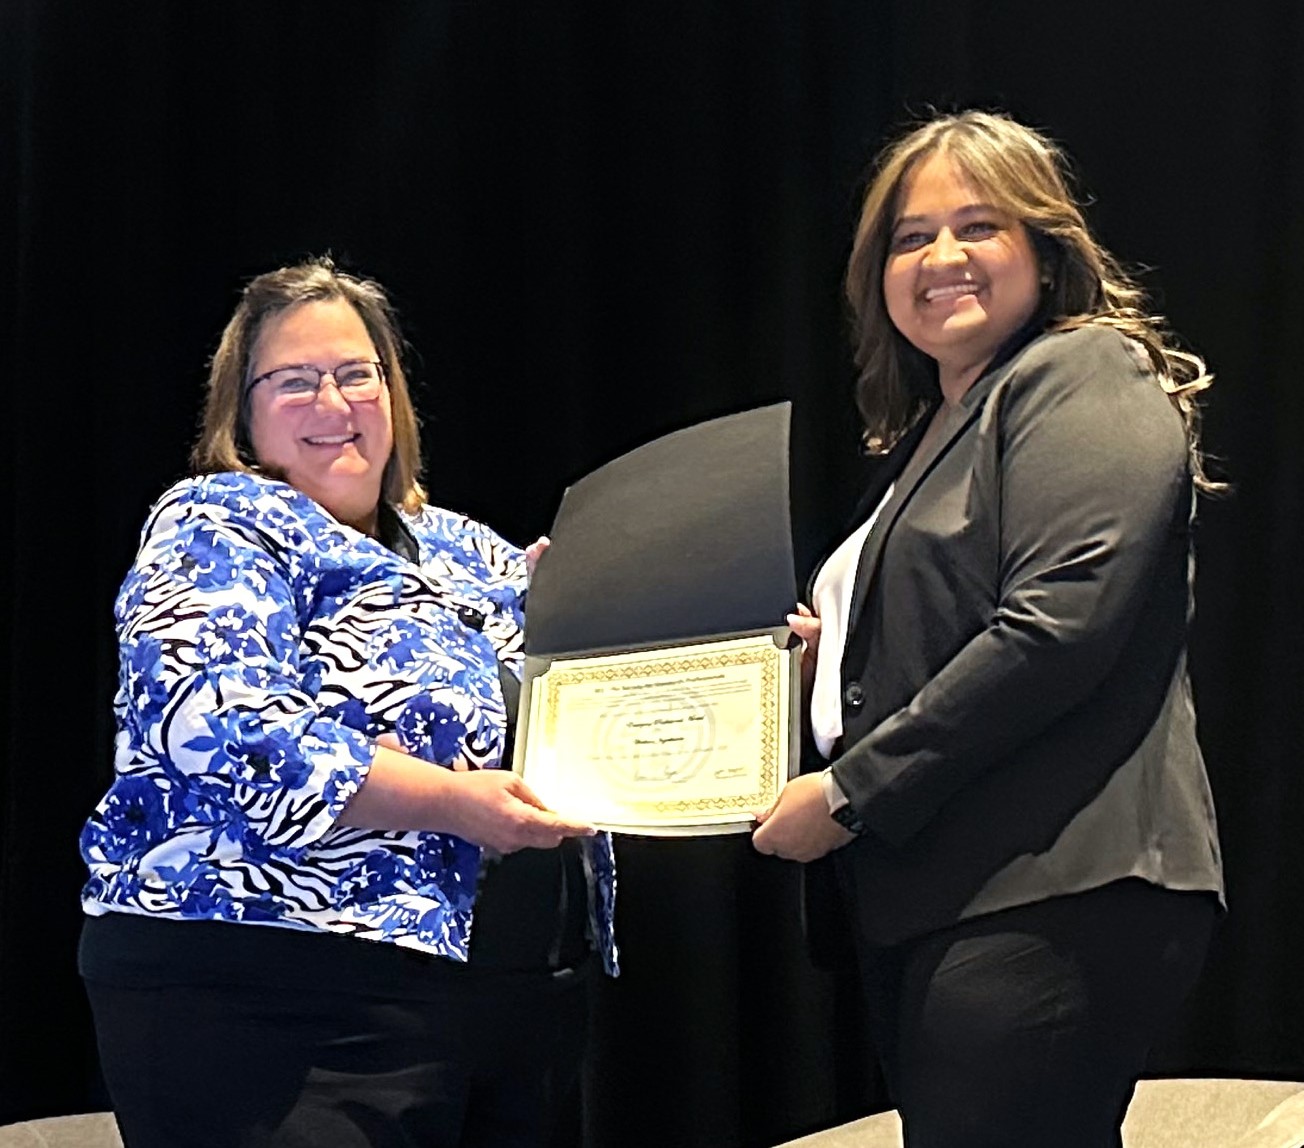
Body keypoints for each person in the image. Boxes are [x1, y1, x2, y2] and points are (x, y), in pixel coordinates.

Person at [753, 110, 1225, 1147]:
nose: (941, 257)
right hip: (957, 890)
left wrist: (847, 791)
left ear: (1043, 247)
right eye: (909, 237)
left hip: (1053, 881)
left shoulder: (1080, 370)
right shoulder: (936, 431)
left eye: (978, 226)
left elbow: (1059, 621)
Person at [78, 256, 617, 1148]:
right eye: (294, 382)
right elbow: (223, 727)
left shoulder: (464, 549)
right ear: (242, 412)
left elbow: (585, 690)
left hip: (501, 1001)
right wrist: (453, 803)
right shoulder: (217, 520)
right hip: (273, 999)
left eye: (356, 374)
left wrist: (745, 658)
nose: (334, 405)